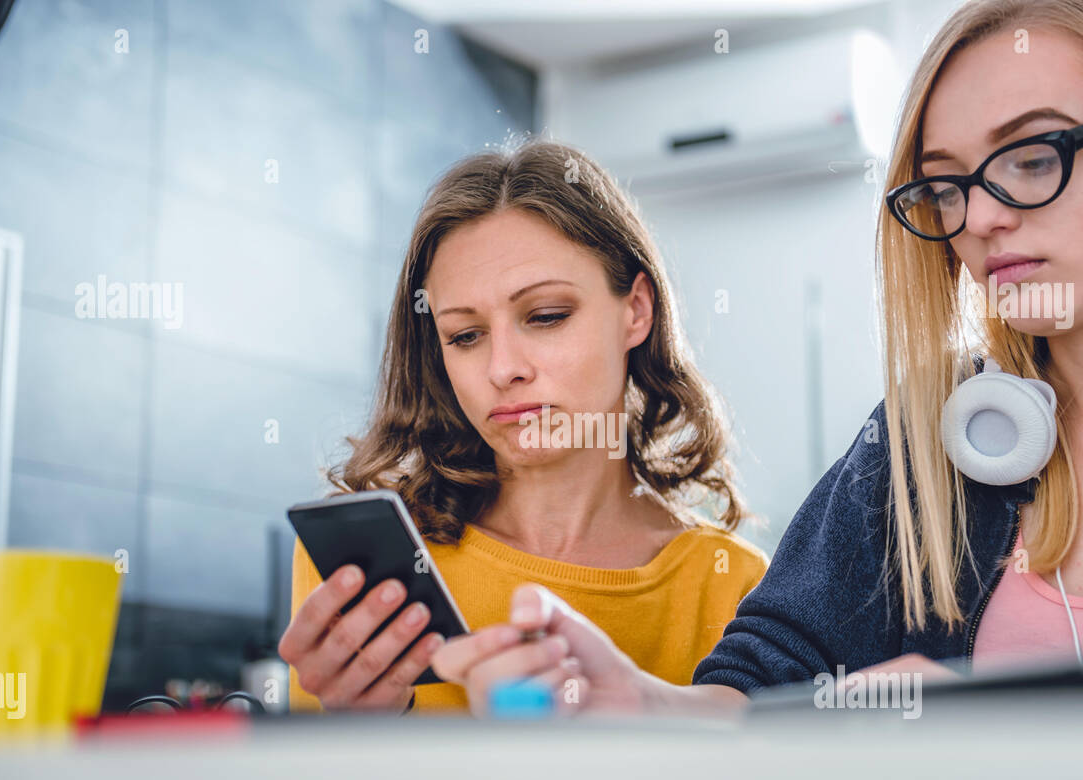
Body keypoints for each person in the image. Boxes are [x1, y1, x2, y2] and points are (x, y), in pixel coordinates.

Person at [434, 0, 1083, 714]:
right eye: (947, 185)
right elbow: (765, 684)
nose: (981, 217)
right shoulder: (920, 445)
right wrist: (639, 701)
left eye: (1033, 156)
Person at [280, 139, 767, 715]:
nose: (503, 369)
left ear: (636, 310)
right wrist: (362, 730)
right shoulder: (365, 570)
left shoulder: (737, 587)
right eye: (464, 336)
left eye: (546, 317)